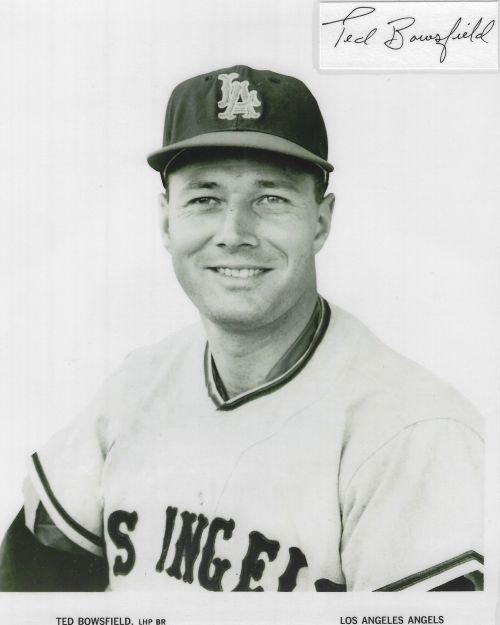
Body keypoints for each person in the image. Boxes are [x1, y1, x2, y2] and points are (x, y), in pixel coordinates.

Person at [0, 65, 483, 592]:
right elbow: (33, 571)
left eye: (270, 198)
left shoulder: (414, 430)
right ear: (167, 220)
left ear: (320, 221)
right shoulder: (136, 385)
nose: (234, 233)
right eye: (204, 199)